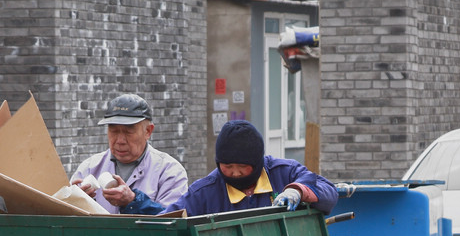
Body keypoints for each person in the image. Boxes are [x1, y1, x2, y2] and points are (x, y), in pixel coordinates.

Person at [167, 120, 338, 216]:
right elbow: (169, 220)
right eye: (227, 166)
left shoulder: (284, 172)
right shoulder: (203, 193)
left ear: (257, 163)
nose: (235, 173)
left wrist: (298, 191)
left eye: (242, 166)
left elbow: (328, 192)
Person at [72, 93, 188, 215]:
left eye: (128, 132)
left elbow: (173, 221)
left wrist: (133, 201)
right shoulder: (89, 168)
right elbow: (64, 219)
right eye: (114, 131)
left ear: (148, 131)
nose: (120, 140)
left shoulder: (169, 172)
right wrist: (74, 201)